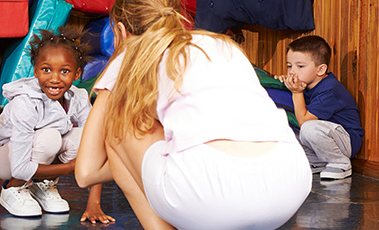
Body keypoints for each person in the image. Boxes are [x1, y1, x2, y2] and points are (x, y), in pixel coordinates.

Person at [74, 0, 312, 229]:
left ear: (121, 31)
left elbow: (86, 173)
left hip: (209, 197)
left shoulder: (132, 56)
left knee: (124, 124)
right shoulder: (221, 44)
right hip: (290, 182)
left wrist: (116, 63)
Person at [0, 27, 114, 223]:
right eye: (46, 69)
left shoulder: (78, 97)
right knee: (50, 137)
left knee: (84, 137)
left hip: (38, 154)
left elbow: (95, 145)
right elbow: (20, 167)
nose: (54, 79)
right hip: (6, 158)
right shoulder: (25, 102)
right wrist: (70, 168)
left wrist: (94, 204)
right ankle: (12, 189)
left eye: (64, 71)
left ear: (77, 73)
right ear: (35, 69)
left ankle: (41, 184)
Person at [274, 35, 363, 180]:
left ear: (320, 70)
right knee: (284, 127)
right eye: (289, 65)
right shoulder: (305, 84)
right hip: (322, 138)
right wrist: (282, 87)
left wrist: (296, 92)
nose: (292, 71)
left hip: (345, 141)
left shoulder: (330, 89)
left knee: (309, 128)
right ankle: (317, 162)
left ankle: (340, 163)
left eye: (300, 66)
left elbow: (304, 121)